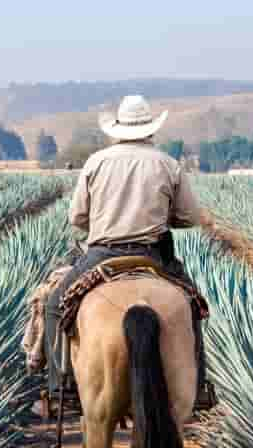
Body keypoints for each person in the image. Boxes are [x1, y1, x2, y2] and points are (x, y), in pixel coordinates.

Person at [38, 95, 207, 417]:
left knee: (54, 306)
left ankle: (60, 386)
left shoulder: (96, 162)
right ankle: (197, 386)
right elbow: (188, 217)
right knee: (193, 307)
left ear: (118, 129)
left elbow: (77, 217)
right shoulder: (167, 164)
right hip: (154, 254)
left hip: (102, 253)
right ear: (150, 130)